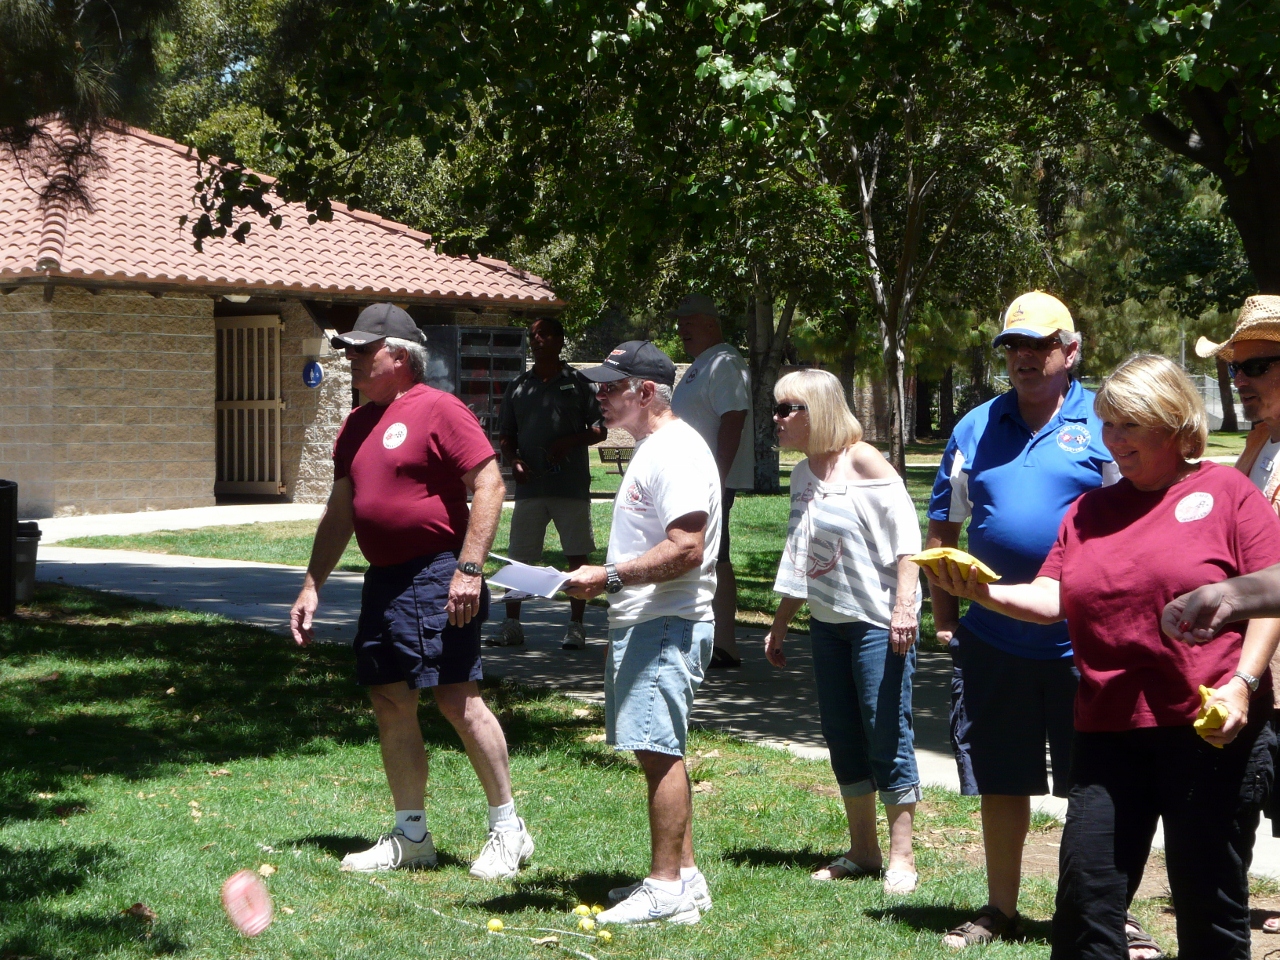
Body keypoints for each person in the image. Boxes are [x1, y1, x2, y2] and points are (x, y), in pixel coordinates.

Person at [926, 354, 1280, 960]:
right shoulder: (1090, 511)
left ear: (1172, 424)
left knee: (1209, 906)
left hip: (1210, 733)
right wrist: (981, 590)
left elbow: (1270, 590)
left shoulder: (1226, 493)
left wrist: (1244, 683)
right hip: (1107, 731)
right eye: (1107, 426)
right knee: (1088, 905)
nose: (1113, 442)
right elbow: (1052, 596)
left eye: (1128, 427)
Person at [289, 302, 534, 879]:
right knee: (389, 699)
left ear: (397, 356)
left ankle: (507, 828)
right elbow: (341, 512)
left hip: (439, 573)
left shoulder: (439, 409)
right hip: (385, 580)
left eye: (361, 350)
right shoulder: (354, 425)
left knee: (458, 698)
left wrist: (468, 570)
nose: (350, 359)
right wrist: (311, 584)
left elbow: (490, 483)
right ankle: (411, 835)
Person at [926, 291, 1116, 948]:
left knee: (1093, 787)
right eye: (1014, 348)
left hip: (1083, 643)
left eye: (1040, 346)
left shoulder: (1107, 422)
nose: (1025, 359)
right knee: (1002, 780)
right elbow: (944, 522)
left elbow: (1134, 521)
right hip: (994, 640)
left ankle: (1097, 910)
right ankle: (999, 909)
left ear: (1071, 350)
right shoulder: (975, 426)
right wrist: (946, 618)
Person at [563, 340, 720, 925]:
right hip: (649, 619)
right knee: (657, 746)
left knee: (658, 750)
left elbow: (686, 549)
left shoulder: (674, 452)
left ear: (646, 392)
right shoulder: (656, 448)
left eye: (609, 386)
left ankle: (663, 888)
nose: (599, 396)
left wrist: (608, 577)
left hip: (665, 621)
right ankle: (686, 878)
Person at [763, 369, 923, 895]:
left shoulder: (863, 460)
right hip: (828, 626)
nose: (778, 418)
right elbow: (799, 554)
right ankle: (863, 851)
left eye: (789, 408)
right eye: (777, 408)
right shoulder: (803, 474)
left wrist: (904, 608)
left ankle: (903, 856)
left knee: (885, 731)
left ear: (819, 410)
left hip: (878, 622)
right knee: (841, 734)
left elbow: (907, 539)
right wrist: (781, 624)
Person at [1193, 292, 1280, 932]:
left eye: (1256, 366)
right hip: (1252, 667)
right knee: (1235, 811)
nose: (1239, 381)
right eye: (1234, 369)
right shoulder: (1257, 443)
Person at [495, 317, 607, 649]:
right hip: (530, 487)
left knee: (577, 557)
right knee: (519, 559)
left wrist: (569, 441)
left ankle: (576, 626)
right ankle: (512, 625)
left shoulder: (579, 382)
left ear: (559, 340)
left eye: (544, 334)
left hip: (570, 486)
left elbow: (600, 429)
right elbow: (506, 436)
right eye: (532, 335)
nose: (537, 340)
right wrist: (513, 460)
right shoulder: (519, 385)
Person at [670, 293, 753, 668]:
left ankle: (725, 645)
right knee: (704, 556)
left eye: (690, 319)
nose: (682, 327)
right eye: (680, 320)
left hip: (711, 482)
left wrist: (717, 480)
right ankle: (706, 639)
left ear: (711, 323)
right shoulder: (703, 363)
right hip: (692, 479)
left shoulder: (724, 361)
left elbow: (733, 419)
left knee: (715, 557)